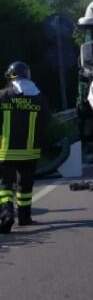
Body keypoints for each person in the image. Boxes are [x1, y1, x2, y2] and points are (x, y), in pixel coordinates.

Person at [0, 62, 49, 233]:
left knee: (6, 187)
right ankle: (25, 217)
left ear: (11, 76)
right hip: (30, 151)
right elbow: (46, 122)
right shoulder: (39, 97)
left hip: (6, 151)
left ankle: (6, 216)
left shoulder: (4, 96)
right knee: (26, 186)